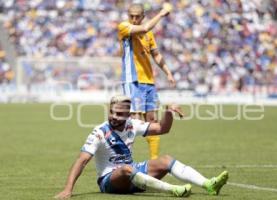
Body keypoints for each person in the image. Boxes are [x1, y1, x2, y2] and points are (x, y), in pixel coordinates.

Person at [55, 95, 229, 199]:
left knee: (166, 160)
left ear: (128, 115)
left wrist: (168, 112)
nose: (114, 116)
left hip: (133, 173)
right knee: (126, 169)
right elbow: (82, 160)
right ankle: (174, 190)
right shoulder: (99, 132)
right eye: (112, 112)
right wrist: (68, 189)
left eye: (119, 114)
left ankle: (209, 184)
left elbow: (162, 128)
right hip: (110, 181)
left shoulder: (133, 124)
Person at [117, 3, 176, 159]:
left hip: (149, 82)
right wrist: (162, 13)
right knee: (135, 122)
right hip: (132, 81)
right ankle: (125, 160)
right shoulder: (124, 27)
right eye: (132, 16)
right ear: (128, 16)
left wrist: (168, 73)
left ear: (143, 17)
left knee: (152, 121)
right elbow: (144, 28)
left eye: (137, 16)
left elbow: (156, 55)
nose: (134, 19)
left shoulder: (149, 35)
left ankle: (154, 161)